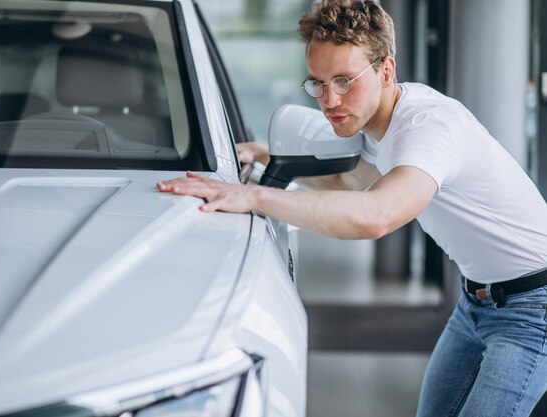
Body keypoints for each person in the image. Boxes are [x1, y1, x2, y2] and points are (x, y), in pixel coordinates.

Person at [157, 0, 547, 415]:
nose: (329, 100)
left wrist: (254, 197)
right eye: (318, 83)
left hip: (533, 306)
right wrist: (270, 159)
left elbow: (378, 215)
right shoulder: (377, 126)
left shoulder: (427, 127)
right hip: (477, 302)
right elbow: (349, 181)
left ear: (386, 70)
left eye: (344, 80)